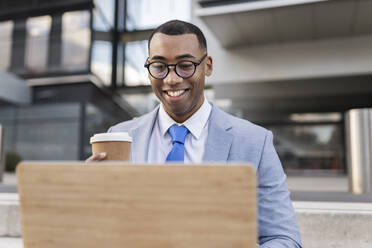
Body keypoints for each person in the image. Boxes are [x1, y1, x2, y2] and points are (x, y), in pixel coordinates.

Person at [87, 20, 302, 248]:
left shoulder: (255, 142)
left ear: (207, 65)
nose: (172, 79)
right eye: (159, 67)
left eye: (186, 65)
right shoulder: (119, 137)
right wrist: (86, 198)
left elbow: (284, 239)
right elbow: (102, 229)